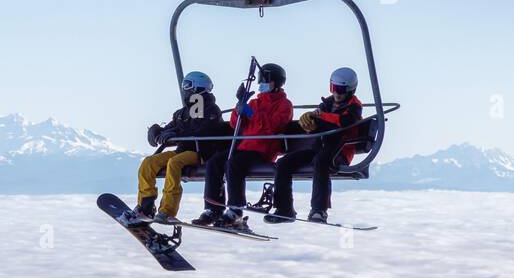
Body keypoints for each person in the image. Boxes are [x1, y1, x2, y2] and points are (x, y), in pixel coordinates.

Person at [195, 62, 293, 229]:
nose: (261, 84)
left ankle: (236, 209)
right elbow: (235, 124)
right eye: (260, 80)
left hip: (263, 149)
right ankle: (213, 208)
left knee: (233, 164)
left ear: (276, 82)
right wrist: (239, 106)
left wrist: (251, 113)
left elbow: (274, 125)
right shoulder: (255, 102)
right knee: (215, 162)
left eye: (265, 80)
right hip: (245, 146)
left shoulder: (284, 104)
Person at [265, 67, 363, 224]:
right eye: (333, 88)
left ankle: (319, 209)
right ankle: (284, 208)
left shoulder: (354, 107)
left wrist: (319, 119)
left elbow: (344, 123)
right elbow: (320, 123)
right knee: (283, 163)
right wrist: (310, 125)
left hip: (339, 151)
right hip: (319, 148)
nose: (336, 93)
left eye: (341, 89)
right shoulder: (326, 104)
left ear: (351, 90)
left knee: (321, 161)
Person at [135, 71, 229, 221]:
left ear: (197, 88)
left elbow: (203, 131)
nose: (184, 89)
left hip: (201, 152)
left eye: (187, 85)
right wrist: (156, 132)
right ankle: (145, 205)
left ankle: (168, 210)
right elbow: (171, 128)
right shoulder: (182, 113)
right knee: (148, 163)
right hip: (182, 150)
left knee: (174, 163)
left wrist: (177, 135)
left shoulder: (210, 110)